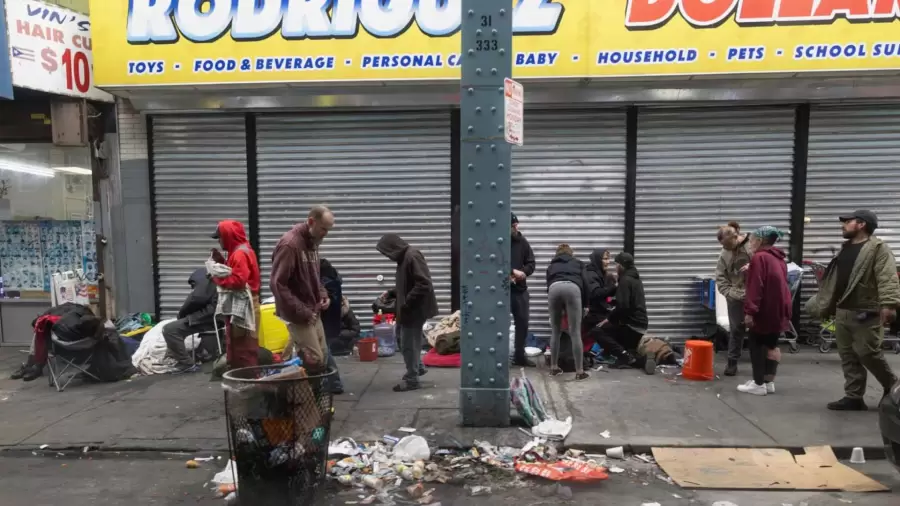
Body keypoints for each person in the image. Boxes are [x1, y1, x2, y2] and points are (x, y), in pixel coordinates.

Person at [806, 210, 900, 411]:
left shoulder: (878, 249)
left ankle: (892, 386)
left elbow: (887, 277)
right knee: (848, 355)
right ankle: (854, 396)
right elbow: (836, 280)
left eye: (847, 222)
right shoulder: (846, 248)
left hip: (866, 311)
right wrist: (827, 304)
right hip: (843, 310)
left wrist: (889, 305)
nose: (843, 225)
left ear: (861, 224)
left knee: (868, 353)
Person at [271, 206, 335, 376]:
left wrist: (322, 294)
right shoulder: (290, 245)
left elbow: (314, 276)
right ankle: (304, 398)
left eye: (328, 230)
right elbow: (277, 284)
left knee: (322, 357)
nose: (325, 234)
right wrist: (302, 311)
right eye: (323, 228)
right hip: (299, 314)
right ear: (311, 221)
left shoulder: (313, 242)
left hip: (313, 310)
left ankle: (305, 396)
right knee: (314, 359)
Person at [376, 234, 439, 392]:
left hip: (415, 310)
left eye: (386, 252)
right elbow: (407, 284)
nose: (386, 256)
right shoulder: (403, 259)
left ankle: (412, 379)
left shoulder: (412, 256)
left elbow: (424, 283)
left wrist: (406, 301)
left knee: (409, 344)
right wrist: (392, 293)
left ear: (393, 247)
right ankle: (417, 367)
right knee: (401, 337)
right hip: (409, 309)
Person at [738, 226, 792, 396]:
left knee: (756, 345)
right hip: (778, 310)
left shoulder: (759, 258)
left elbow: (756, 287)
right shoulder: (778, 258)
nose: (750, 243)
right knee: (771, 345)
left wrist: (750, 312)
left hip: (765, 310)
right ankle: (768, 383)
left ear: (760, 241)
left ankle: (758, 383)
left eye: (752, 240)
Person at [211, 220, 261, 370]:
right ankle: (244, 380)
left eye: (220, 238)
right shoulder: (242, 250)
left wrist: (216, 277)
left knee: (243, 349)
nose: (219, 242)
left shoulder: (239, 254)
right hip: (248, 304)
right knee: (242, 346)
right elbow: (237, 272)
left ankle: (247, 384)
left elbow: (239, 281)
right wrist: (221, 261)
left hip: (245, 308)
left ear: (227, 236)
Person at [592, 252, 649, 369]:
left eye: (617, 264)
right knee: (613, 331)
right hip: (641, 325)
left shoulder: (625, 280)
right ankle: (638, 360)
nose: (616, 267)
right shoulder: (636, 279)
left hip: (632, 326)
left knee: (597, 330)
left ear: (622, 266)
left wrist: (608, 319)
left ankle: (625, 357)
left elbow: (623, 307)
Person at [545, 244, 589, 380]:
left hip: (554, 289)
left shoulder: (552, 266)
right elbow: (586, 284)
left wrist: (558, 306)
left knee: (555, 331)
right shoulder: (578, 263)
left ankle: (553, 368)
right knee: (575, 332)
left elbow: (548, 284)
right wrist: (586, 305)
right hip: (573, 288)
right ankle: (579, 371)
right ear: (571, 254)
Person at [161, 268, 218, 372]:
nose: (193, 288)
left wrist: (183, 315)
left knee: (169, 329)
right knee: (174, 328)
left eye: (193, 285)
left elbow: (195, 299)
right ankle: (180, 358)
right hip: (208, 317)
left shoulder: (205, 285)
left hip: (206, 319)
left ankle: (186, 364)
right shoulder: (214, 284)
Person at [716, 221, 751, 377]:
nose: (725, 249)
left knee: (758, 330)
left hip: (755, 295)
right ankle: (732, 363)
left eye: (727, 245)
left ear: (736, 238)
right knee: (736, 329)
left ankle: (762, 365)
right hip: (735, 296)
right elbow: (720, 276)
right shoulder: (725, 253)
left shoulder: (752, 247)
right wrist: (729, 293)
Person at [510, 213, 537, 367]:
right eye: (513, 226)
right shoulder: (497, 243)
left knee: (522, 323)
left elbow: (531, 263)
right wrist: (512, 271)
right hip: (502, 290)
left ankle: (519, 356)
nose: (516, 228)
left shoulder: (522, 242)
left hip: (520, 290)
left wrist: (524, 272)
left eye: (516, 225)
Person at [319, 258, 345, 394]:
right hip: (332, 322)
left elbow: (325, 303)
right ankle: (330, 382)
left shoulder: (327, 283)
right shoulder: (334, 280)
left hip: (326, 323)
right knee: (324, 351)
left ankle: (335, 383)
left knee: (325, 352)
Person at [583, 248, 617, 332]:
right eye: (605, 259)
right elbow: (596, 293)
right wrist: (614, 287)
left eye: (608, 259)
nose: (608, 262)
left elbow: (607, 294)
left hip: (601, 312)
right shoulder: (591, 273)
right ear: (598, 260)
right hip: (593, 315)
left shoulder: (600, 273)